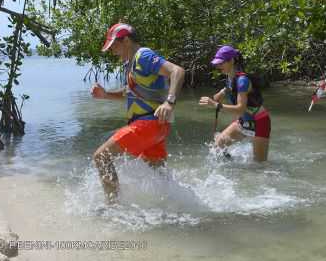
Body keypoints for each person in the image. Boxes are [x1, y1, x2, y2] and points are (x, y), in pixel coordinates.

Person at [91, 23, 185, 203]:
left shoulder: (143, 55)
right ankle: (179, 203)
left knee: (101, 156)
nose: (112, 51)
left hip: (148, 124)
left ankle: (113, 208)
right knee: (160, 177)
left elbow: (177, 71)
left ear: (126, 40)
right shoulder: (133, 63)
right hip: (156, 127)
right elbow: (131, 93)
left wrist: (169, 102)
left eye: (114, 46)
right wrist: (105, 95)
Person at [199, 45, 271, 162]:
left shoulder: (242, 81)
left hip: (260, 122)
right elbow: (228, 89)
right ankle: (233, 169)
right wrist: (220, 94)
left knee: (259, 165)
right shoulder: (230, 78)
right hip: (244, 121)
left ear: (231, 61)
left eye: (221, 63)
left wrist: (215, 105)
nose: (218, 66)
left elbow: (240, 109)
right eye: (217, 64)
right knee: (219, 144)